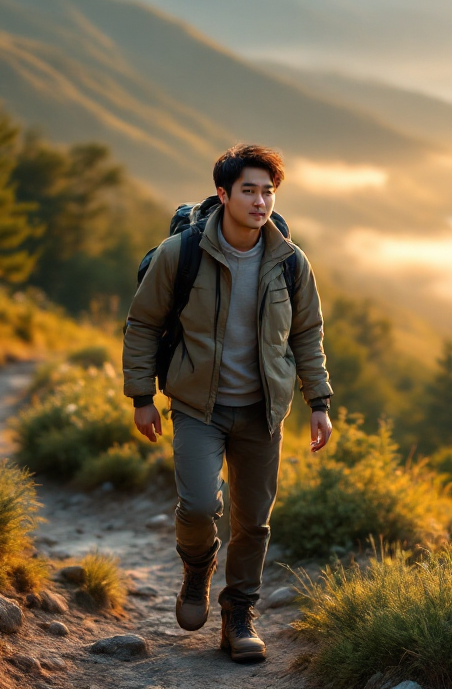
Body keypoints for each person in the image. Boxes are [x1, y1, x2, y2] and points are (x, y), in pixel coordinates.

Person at [121, 144, 333, 664]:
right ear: (223, 194)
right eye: (249, 191)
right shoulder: (183, 253)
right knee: (198, 506)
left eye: (268, 192)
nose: (261, 202)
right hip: (198, 406)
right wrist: (142, 396)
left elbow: (306, 335)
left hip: (263, 412)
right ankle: (197, 566)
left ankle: (238, 614)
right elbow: (143, 323)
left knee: (253, 521)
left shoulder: (289, 261)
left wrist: (320, 401)